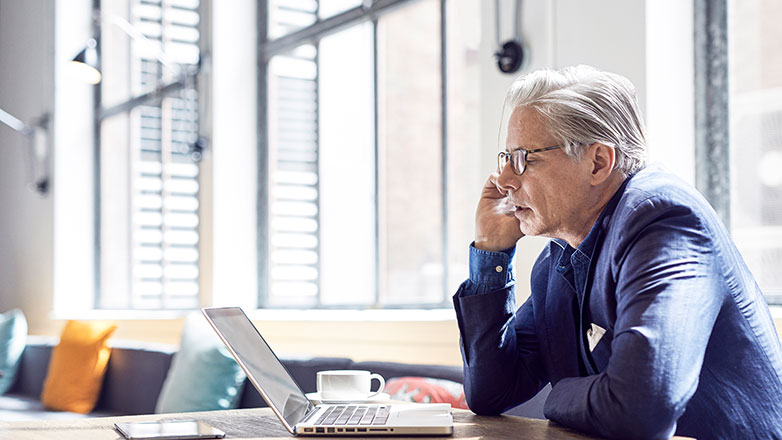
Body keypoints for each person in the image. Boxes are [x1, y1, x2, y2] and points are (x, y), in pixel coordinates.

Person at [453, 65, 782, 439]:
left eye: (524, 158)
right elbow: (491, 393)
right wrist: (491, 256)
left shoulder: (665, 221)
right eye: (506, 158)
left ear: (598, 162)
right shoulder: (559, 257)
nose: (505, 180)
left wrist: (557, 395)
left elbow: (639, 409)